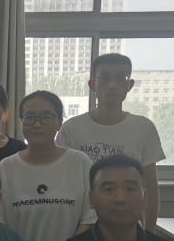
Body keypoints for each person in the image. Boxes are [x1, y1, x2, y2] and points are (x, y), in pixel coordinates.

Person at [57, 53, 164, 229]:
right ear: (92, 84)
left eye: (120, 79)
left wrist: (149, 232)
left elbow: (150, 186)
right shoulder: (71, 128)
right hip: (81, 226)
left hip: (128, 226)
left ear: (129, 85)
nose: (112, 86)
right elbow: (62, 183)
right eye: (105, 79)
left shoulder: (144, 128)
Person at [0, 90, 94, 241]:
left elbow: (88, 220)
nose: (37, 124)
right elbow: (0, 224)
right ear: (21, 121)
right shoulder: (6, 168)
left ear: (59, 122)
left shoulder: (80, 163)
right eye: (29, 117)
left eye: (46, 117)